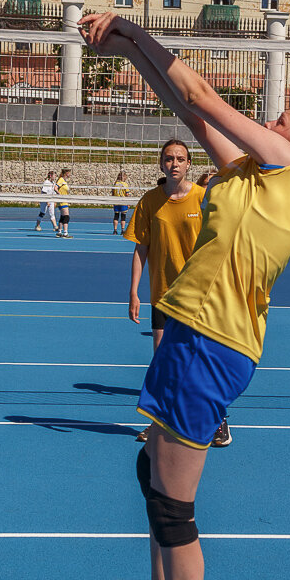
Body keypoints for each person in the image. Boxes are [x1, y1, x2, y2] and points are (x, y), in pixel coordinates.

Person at [80, 11, 290, 580]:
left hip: (212, 344)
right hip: (189, 334)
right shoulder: (244, 179)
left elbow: (200, 92)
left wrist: (135, 26)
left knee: (175, 509)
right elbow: (183, 104)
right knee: (150, 476)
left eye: (279, 116)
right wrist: (129, 50)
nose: (267, 119)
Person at [127, 140, 209, 444]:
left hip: (197, 295)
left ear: (189, 164)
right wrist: (134, 292)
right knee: (162, 362)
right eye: (169, 158)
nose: (174, 163)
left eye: (180, 159)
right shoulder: (149, 201)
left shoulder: (203, 198)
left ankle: (214, 420)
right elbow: (141, 248)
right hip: (162, 294)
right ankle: (159, 423)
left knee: (196, 361)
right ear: (161, 164)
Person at [112, 169, 132, 235]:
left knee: (116, 216)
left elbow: (112, 193)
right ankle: (123, 230)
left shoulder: (115, 184)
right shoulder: (125, 185)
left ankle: (115, 230)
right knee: (123, 216)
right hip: (123, 202)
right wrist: (128, 203)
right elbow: (127, 194)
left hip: (116, 202)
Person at [55, 167, 72, 238]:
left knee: (62, 216)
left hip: (64, 201)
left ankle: (59, 232)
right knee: (66, 216)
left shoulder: (64, 181)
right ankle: (65, 233)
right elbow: (55, 188)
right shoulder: (61, 180)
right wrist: (60, 195)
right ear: (66, 173)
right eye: (69, 173)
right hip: (62, 201)